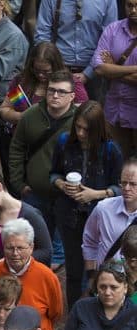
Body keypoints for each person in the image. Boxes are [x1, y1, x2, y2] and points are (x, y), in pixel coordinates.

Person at [51, 103, 123, 307]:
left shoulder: (110, 150)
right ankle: (75, 313)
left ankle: (99, 310)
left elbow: (119, 188)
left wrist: (96, 194)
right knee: (74, 270)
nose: (81, 133)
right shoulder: (64, 141)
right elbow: (53, 173)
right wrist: (61, 184)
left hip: (100, 217)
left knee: (100, 270)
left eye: (86, 129)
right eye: (78, 127)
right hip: (69, 215)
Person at [0, 220, 62, 330]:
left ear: (31, 247)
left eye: (20, 248)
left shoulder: (47, 276)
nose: (15, 253)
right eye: (10, 248)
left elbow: (55, 314)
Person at [8, 69, 78, 221]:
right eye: (51, 90)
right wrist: (18, 184)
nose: (55, 95)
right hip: (33, 193)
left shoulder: (80, 120)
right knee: (31, 240)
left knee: (60, 243)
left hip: (66, 196)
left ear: (72, 96)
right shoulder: (29, 115)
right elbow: (16, 149)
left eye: (61, 92)